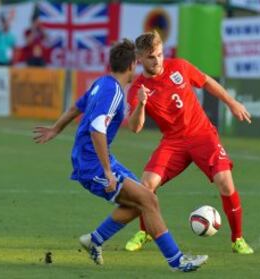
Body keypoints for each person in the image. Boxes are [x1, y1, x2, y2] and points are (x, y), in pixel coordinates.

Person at [33, 38, 207, 272]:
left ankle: (95, 240)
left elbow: (76, 107)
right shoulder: (113, 92)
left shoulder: (101, 83)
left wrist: (56, 128)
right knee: (149, 200)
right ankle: (177, 261)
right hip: (92, 165)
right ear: (132, 66)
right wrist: (107, 171)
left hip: (94, 160)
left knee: (142, 201)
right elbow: (97, 129)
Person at [125, 31, 254, 254]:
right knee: (146, 185)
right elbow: (135, 128)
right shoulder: (138, 89)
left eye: (160, 54)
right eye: (151, 57)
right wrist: (141, 105)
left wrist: (231, 103)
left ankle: (238, 239)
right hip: (173, 142)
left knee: (225, 181)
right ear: (139, 59)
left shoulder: (180, 67)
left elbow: (207, 82)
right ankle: (145, 232)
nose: (157, 61)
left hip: (202, 135)